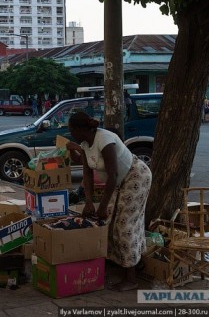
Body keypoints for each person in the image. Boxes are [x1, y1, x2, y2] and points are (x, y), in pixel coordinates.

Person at [65, 111, 152, 292]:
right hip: (120, 180)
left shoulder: (105, 139)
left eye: (71, 129)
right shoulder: (84, 143)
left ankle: (131, 277)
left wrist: (102, 206)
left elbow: (111, 175)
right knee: (108, 221)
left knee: (124, 224)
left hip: (135, 176)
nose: (70, 133)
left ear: (81, 129)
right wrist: (89, 203)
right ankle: (125, 262)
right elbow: (87, 175)